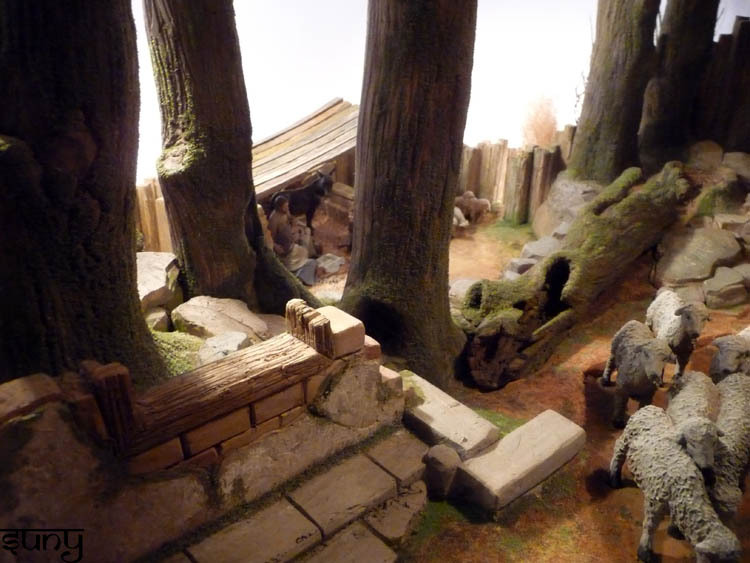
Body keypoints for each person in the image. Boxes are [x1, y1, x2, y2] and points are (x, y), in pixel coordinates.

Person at [267, 194, 317, 285]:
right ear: (279, 207)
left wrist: (295, 224)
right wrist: (276, 246)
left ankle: (310, 254)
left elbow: (291, 218)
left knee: (307, 231)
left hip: (291, 235)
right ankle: (301, 269)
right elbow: (271, 237)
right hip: (285, 246)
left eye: (287, 206)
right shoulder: (274, 219)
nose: (287, 208)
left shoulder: (285, 212)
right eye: (285, 207)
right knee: (302, 256)